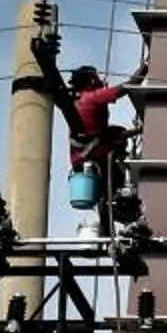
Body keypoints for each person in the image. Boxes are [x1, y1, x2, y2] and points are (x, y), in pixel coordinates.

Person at [32, 36, 146, 230]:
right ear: (90, 80)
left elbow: (111, 134)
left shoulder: (77, 99)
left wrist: (136, 131)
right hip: (96, 153)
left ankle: (106, 221)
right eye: (97, 77)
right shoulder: (92, 97)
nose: (101, 80)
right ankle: (115, 214)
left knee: (115, 136)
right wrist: (146, 66)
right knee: (116, 183)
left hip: (81, 157)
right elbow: (128, 86)